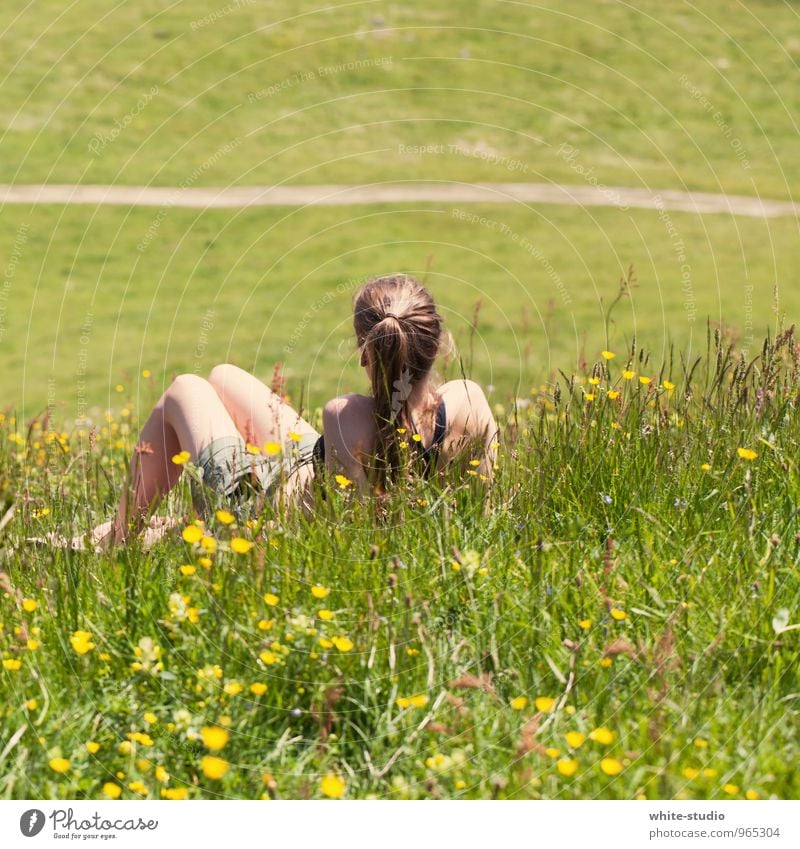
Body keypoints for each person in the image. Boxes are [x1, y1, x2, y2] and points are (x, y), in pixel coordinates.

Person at [72, 273, 499, 550]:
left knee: (186, 388)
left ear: (366, 356)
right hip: (305, 471)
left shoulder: (345, 416)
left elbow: (348, 540)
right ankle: (161, 526)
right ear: (438, 339)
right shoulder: (472, 402)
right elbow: (487, 511)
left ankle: (118, 538)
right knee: (223, 376)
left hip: (257, 509)